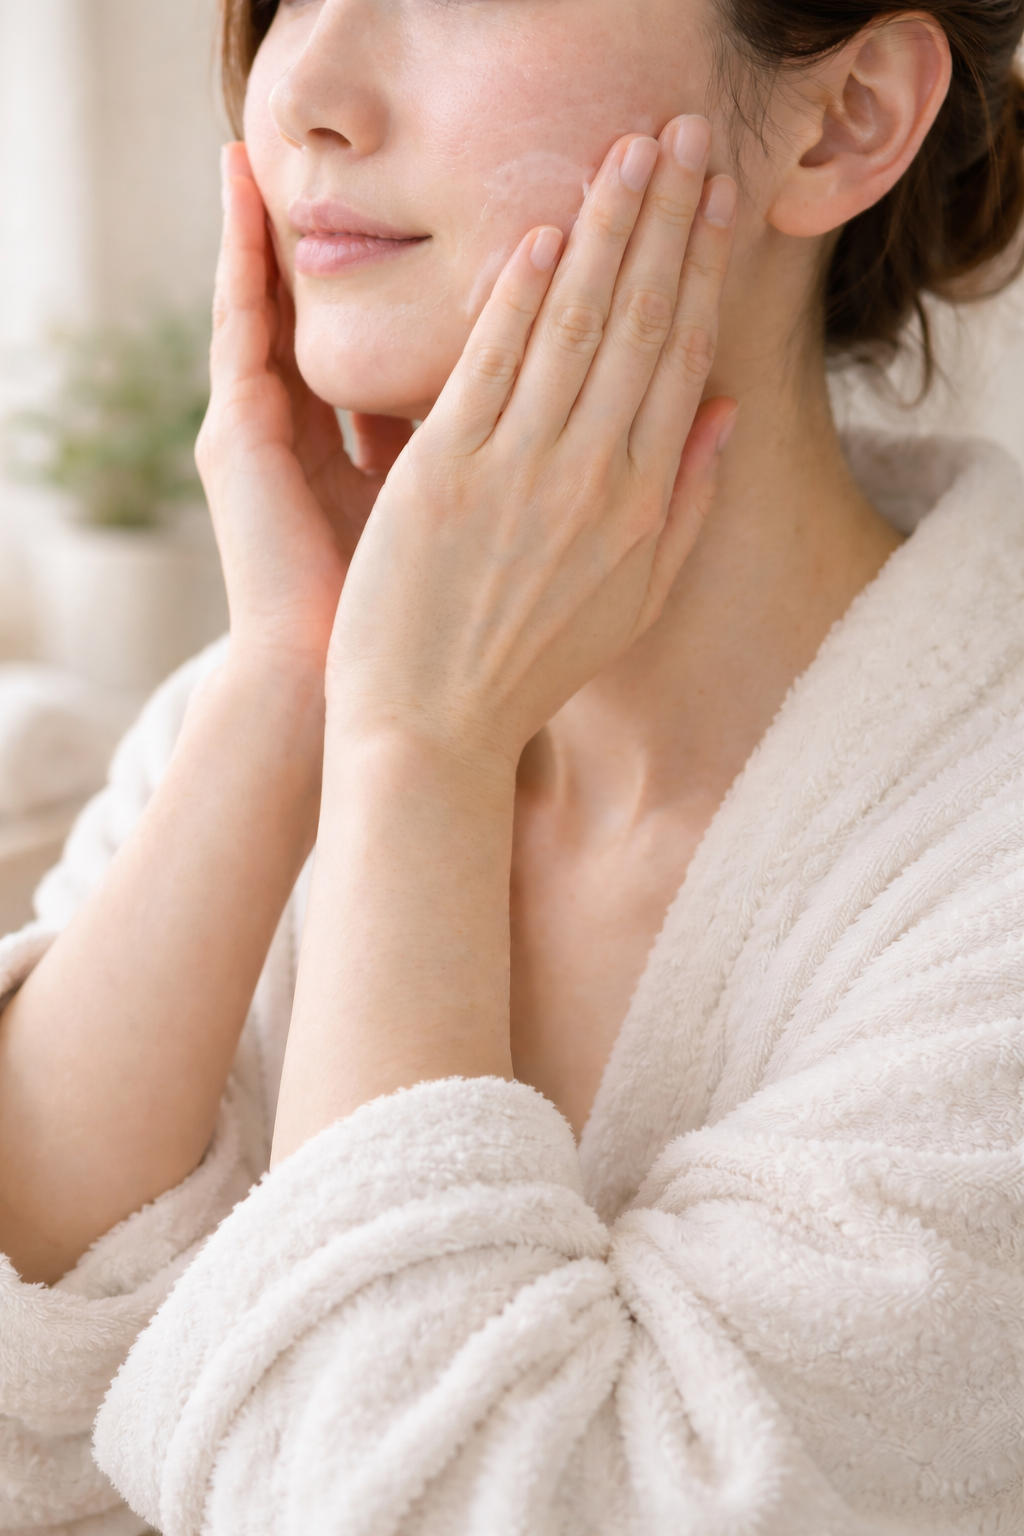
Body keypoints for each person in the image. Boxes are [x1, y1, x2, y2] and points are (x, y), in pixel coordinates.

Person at [2, 0, 1024, 1527]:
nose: (304, 90)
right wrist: (292, 686)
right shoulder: (273, 714)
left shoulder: (985, 881)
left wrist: (424, 751)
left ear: (847, 116)